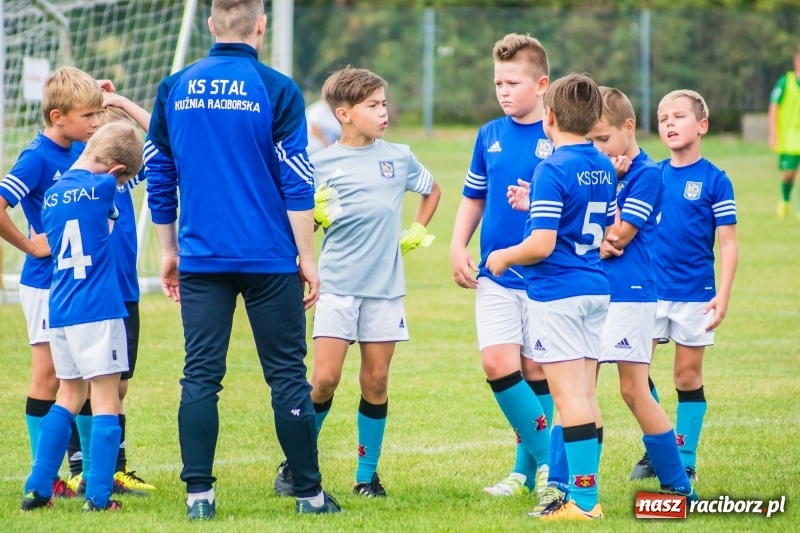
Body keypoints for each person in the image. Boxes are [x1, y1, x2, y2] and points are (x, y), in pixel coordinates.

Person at [146, 0, 339, 519]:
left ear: (211, 25)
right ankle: (309, 496)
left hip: (201, 258)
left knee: (200, 376)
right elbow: (298, 182)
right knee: (286, 376)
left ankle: (199, 500)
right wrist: (307, 258)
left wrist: (168, 252)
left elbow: (159, 177)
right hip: (269, 257)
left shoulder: (174, 87)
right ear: (261, 25)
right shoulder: (276, 88)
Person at [275, 66, 440, 498]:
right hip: (337, 287)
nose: (383, 112)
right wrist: (314, 216)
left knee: (376, 381)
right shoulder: (319, 163)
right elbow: (293, 217)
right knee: (324, 379)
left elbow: (432, 190)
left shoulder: (399, 156)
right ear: (344, 113)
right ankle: (296, 464)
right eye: (373, 106)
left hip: (385, 289)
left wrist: (417, 231)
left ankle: (366, 476)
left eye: (384, 104)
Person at [487, 73, 616, 521]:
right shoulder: (601, 162)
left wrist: (503, 256)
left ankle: (582, 502)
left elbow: (541, 245)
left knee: (569, 399)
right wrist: (534, 203)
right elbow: (597, 226)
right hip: (596, 288)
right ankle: (586, 493)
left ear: (550, 117)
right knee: (587, 395)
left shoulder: (552, 167)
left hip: (558, 293)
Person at [449, 33, 553, 500]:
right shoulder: (488, 135)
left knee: (537, 371)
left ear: (542, 84)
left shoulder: (560, 136)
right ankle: (553, 459)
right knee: (498, 363)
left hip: (547, 274)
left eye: (513, 82)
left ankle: (526, 472)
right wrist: (456, 245)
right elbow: (473, 196)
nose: (504, 91)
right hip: (495, 274)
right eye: (498, 83)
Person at [21, 121, 144, 513]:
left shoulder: (52, 194)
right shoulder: (107, 187)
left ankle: (38, 486)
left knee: (69, 394)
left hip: (60, 308)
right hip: (99, 308)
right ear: (114, 172)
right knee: (105, 398)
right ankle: (99, 497)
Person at [585, 87, 696, 502]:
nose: (597, 148)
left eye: (602, 139)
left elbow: (619, 235)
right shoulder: (600, 170)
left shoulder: (648, 173)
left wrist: (595, 233)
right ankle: (568, 486)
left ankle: (678, 485)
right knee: (578, 390)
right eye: (590, 141)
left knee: (633, 390)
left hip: (631, 292)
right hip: (591, 290)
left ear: (628, 127)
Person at [0, 66, 102, 499]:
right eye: (88, 116)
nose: (95, 124)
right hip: (44, 282)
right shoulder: (38, 156)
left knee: (79, 373)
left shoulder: (81, 148)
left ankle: (83, 472)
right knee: (49, 376)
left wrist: (105, 104)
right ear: (58, 116)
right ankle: (46, 476)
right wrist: (28, 244)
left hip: (72, 280)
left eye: (98, 115)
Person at [629, 90, 738, 483]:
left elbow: (728, 242)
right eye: (662, 118)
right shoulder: (651, 175)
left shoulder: (714, 180)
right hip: (648, 293)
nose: (669, 123)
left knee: (687, 378)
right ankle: (658, 447)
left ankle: (684, 457)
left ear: (702, 126)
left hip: (695, 295)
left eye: (679, 116)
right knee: (636, 374)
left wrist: (722, 295)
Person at [64, 98, 157, 496]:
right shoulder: (83, 177)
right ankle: (80, 466)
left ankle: (115, 469)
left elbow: (164, 142)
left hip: (124, 291)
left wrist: (120, 102)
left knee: (117, 387)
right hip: (91, 293)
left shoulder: (121, 178)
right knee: (84, 384)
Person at [768, 45, 800, 218]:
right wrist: (773, 133)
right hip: (789, 137)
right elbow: (774, 107)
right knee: (789, 174)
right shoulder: (785, 81)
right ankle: (785, 200)